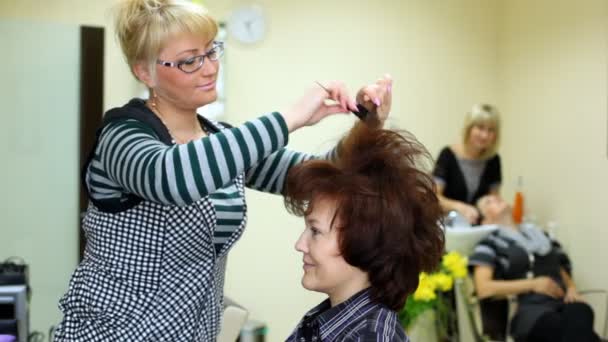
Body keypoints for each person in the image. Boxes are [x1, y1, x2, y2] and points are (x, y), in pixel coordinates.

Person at [53, 0, 393, 341]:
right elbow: (172, 178)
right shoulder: (123, 136)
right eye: (190, 61)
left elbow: (317, 178)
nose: (209, 68)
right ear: (145, 71)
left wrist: (368, 124)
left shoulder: (221, 142)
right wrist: (292, 117)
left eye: (211, 51)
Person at [283, 122, 445, 341]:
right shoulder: (323, 322)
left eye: (315, 231)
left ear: (364, 239)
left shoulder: (371, 336)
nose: (300, 244)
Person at [469, 194, 600, 342]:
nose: (496, 198)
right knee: (566, 328)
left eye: (497, 197)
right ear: (485, 219)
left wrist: (571, 287)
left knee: (582, 310)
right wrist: (534, 284)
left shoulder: (540, 235)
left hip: (561, 302)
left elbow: (558, 264)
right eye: (489, 202)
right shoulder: (489, 244)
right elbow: (483, 288)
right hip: (529, 310)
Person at [433, 104, 501, 224]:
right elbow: (434, 197)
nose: (485, 135)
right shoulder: (447, 155)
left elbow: (493, 200)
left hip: (478, 228)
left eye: (491, 130)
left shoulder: (494, 160)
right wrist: (460, 207)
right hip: (448, 226)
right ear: (469, 128)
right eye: (480, 128)